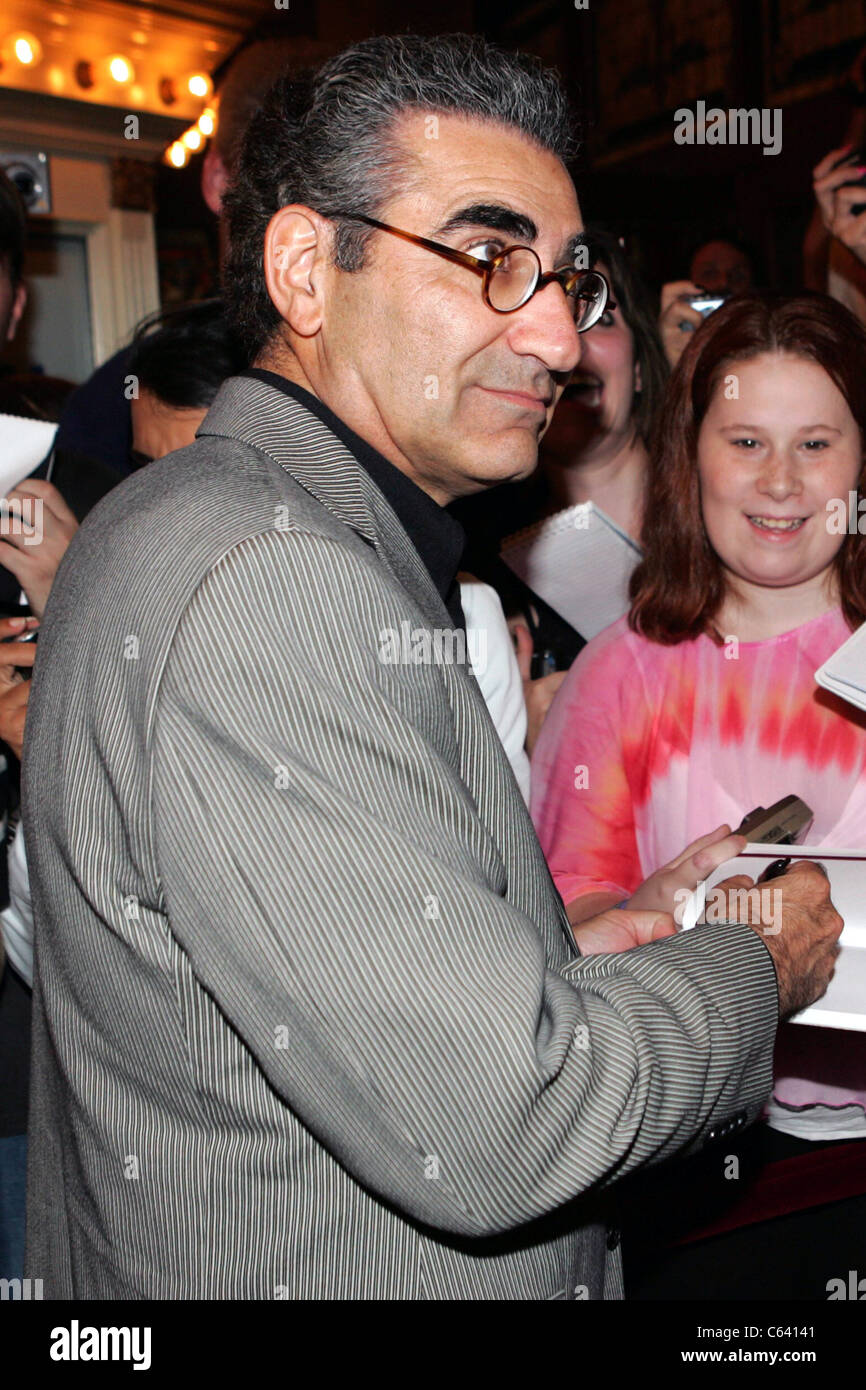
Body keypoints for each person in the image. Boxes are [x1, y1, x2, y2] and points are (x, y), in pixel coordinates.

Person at [23, 34, 839, 1302]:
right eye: (490, 260)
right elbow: (505, 1118)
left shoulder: (229, 519)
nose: (560, 337)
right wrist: (753, 960)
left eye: (564, 279)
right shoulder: (267, 574)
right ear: (305, 266)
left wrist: (564, 953)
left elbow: (331, 990)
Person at [530, 291, 866, 1294]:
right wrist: (666, 919)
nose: (778, 481)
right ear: (692, 455)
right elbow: (569, 914)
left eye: (814, 443)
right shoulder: (623, 671)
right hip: (706, 1163)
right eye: (744, 440)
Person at [456, 228, 668, 748]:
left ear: (640, 367)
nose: (573, 345)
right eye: (561, 313)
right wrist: (510, 742)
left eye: (601, 315)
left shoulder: (729, 528)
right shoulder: (478, 573)